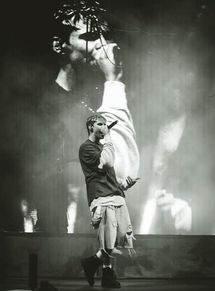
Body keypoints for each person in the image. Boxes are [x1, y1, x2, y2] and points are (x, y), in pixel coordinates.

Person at [29, 0, 139, 233]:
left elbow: (120, 169)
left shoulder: (91, 108)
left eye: (102, 35)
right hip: (48, 235)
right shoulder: (34, 106)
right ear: (59, 45)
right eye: (89, 36)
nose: (100, 43)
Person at [79, 114, 138, 288]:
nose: (105, 127)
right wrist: (109, 137)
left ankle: (94, 264)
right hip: (102, 199)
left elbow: (108, 178)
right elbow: (107, 162)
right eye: (100, 124)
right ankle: (106, 273)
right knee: (108, 240)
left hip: (115, 196)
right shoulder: (86, 148)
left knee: (117, 239)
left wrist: (123, 185)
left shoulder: (101, 147)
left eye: (105, 124)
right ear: (91, 127)